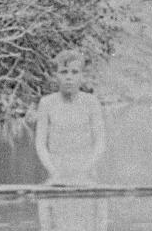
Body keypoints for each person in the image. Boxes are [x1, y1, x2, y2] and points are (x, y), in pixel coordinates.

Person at [34, 48, 108, 185]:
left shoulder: (91, 103)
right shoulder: (46, 103)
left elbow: (100, 144)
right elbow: (40, 145)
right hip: (57, 174)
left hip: (86, 175)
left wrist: (85, 170)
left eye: (74, 72)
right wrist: (53, 171)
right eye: (64, 72)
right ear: (56, 75)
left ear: (81, 76)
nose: (69, 77)